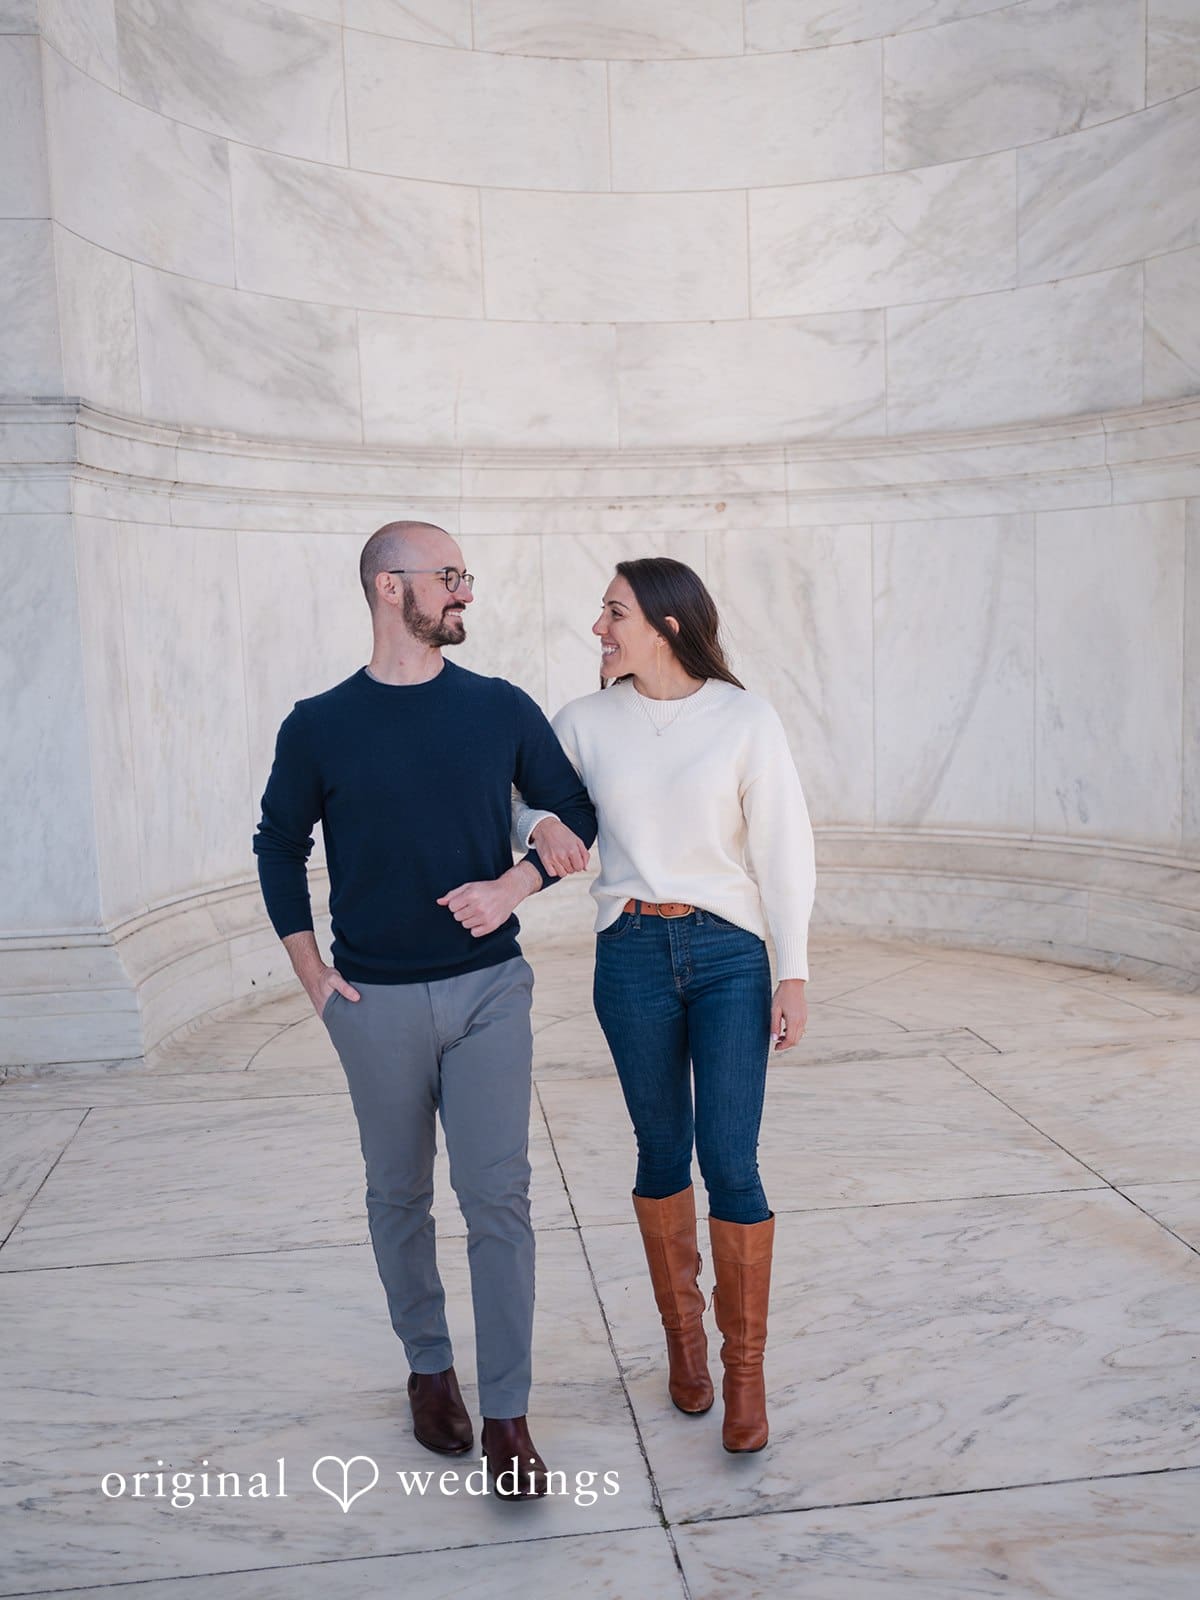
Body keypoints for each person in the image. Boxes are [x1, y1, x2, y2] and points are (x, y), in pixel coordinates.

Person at [252, 520, 597, 1500]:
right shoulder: (318, 723)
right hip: (374, 1002)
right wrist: (313, 977)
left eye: (465, 577)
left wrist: (516, 882)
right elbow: (277, 844)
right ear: (387, 587)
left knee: (500, 1202)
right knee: (398, 1194)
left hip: (492, 990)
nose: (465, 594)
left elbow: (577, 809)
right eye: (449, 578)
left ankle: (509, 1416)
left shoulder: (498, 708)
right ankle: (429, 1367)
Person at [512, 557, 815, 1453]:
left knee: (732, 1158)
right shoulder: (584, 722)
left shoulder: (744, 717)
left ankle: (744, 1375)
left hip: (729, 953)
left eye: (614, 613)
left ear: (668, 624)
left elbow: (785, 848)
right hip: (632, 954)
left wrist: (790, 969)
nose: (599, 629)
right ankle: (685, 1347)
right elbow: (519, 796)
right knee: (658, 1150)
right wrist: (541, 826)